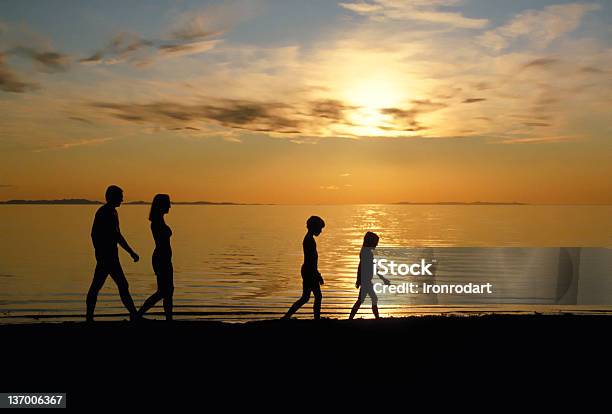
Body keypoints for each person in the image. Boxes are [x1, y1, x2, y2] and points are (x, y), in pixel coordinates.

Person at [86, 185, 139, 322]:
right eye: (120, 196)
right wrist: (131, 252)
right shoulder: (105, 212)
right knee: (113, 285)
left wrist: (130, 252)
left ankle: (90, 318)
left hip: (110, 256)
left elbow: (116, 235)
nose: (122, 199)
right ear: (112, 197)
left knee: (101, 286)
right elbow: (98, 235)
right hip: (107, 257)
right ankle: (134, 315)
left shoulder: (112, 212)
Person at [137, 194, 174, 321]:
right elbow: (161, 242)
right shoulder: (157, 222)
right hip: (161, 259)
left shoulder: (160, 220)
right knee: (163, 292)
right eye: (168, 203)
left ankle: (169, 319)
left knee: (168, 291)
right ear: (161, 205)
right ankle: (138, 315)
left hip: (164, 258)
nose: (170, 205)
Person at [283, 216, 325, 320]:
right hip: (309, 271)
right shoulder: (309, 240)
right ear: (314, 227)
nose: (321, 231)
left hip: (308, 270)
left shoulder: (309, 239)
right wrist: (317, 275)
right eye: (320, 228)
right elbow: (311, 260)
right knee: (317, 297)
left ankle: (287, 317)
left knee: (305, 297)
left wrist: (317, 273)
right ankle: (316, 319)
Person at [349, 232, 390, 319]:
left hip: (366, 280)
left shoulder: (365, 251)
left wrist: (358, 279)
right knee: (369, 299)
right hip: (366, 281)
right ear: (370, 242)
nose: (377, 244)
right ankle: (376, 318)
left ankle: (351, 318)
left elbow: (361, 266)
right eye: (375, 242)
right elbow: (364, 266)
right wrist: (383, 279)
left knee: (364, 300)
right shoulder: (367, 253)